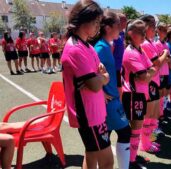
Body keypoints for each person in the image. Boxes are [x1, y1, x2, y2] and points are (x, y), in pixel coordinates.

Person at [61, 1, 113, 169]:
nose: (99, 26)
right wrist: (102, 77)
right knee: (107, 161)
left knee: (91, 155)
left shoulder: (87, 46)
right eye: (96, 22)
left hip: (96, 112)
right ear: (84, 21)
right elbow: (96, 84)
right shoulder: (75, 49)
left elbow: (103, 77)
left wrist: (101, 77)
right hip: (89, 116)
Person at [93, 11, 131, 169]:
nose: (121, 29)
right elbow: (89, 74)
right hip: (109, 102)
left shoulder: (106, 45)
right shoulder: (100, 48)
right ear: (108, 28)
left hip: (112, 100)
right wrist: (101, 93)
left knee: (102, 141)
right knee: (124, 132)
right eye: (118, 26)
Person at [122, 19, 155, 169]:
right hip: (133, 96)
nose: (143, 34)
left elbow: (152, 69)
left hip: (141, 95)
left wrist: (147, 74)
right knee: (135, 129)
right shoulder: (131, 52)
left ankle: (133, 159)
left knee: (137, 129)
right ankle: (130, 162)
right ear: (130, 33)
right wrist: (147, 74)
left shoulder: (140, 49)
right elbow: (145, 76)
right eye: (140, 32)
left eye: (144, 31)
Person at [140, 15, 169, 153]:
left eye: (154, 26)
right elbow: (157, 62)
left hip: (154, 82)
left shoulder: (149, 42)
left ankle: (148, 140)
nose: (155, 29)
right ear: (145, 28)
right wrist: (165, 53)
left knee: (153, 115)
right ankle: (145, 144)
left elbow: (158, 62)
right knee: (148, 116)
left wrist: (162, 57)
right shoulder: (145, 43)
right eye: (152, 26)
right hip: (150, 83)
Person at [112, 13, 127, 97]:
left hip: (121, 67)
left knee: (121, 89)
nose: (126, 21)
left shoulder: (122, 34)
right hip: (115, 68)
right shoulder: (114, 35)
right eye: (123, 20)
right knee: (118, 90)